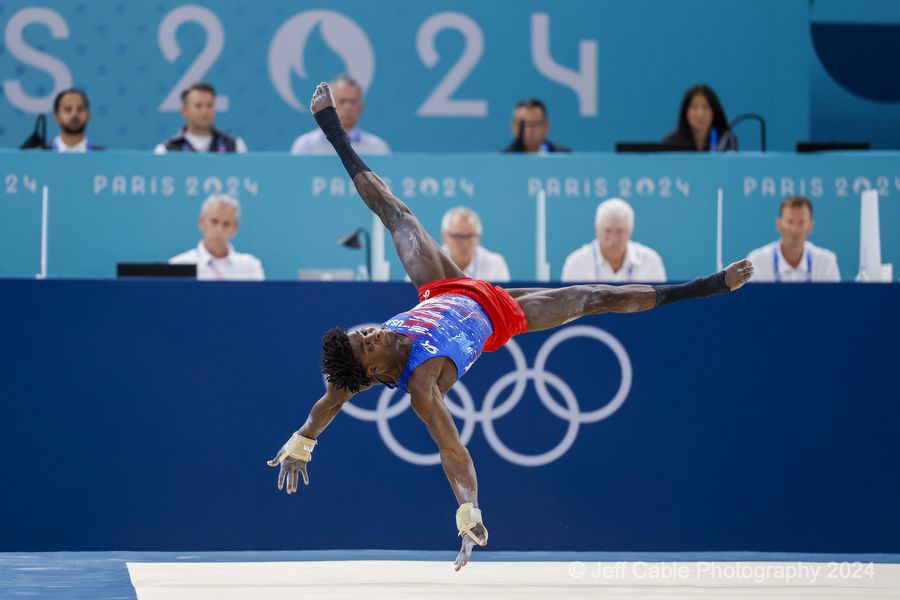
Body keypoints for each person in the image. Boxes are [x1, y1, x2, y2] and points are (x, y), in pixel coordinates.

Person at [267, 82, 753, 572]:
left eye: (365, 331)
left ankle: (333, 131)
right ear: (371, 371)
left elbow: (326, 404)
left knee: (396, 213)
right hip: (496, 316)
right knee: (593, 298)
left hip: (443, 289)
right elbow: (453, 452)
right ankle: (707, 287)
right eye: (367, 343)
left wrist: (302, 442)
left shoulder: (361, 364)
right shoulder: (421, 384)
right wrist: (468, 512)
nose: (372, 332)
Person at [561, 198, 666, 283]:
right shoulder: (576, 263)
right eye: (607, 231)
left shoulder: (650, 261)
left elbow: (660, 307)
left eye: (620, 231)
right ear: (597, 229)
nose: (613, 238)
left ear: (630, 231)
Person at [169, 194, 264, 280]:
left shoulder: (250, 267)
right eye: (214, 221)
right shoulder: (179, 265)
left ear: (235, 228)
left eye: (226, 224)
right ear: (201, 222)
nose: (219, 229)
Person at [745, 196, 840, 282]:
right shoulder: (756, 261)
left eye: (801, 222)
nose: (795, 229)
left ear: (811, 226)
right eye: (790, 222)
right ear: (779, 225)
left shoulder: (827, 262)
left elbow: (834, 300)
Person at [290, 74, 390, 155]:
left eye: (353, 101)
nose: (348, 107)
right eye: (342, 101)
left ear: (361, 107)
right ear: (327, 105)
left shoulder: (378, 148)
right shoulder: (305, 146)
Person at [154, 83, 247, 154]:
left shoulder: (236, 147)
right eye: (198, 106)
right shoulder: (165, 150)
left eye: (210, 105)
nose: (205, 111)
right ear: (184, 111)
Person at [440, 207, 510, 282]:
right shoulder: (435, 264)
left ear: (479, 237)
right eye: (458, 236)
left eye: (470, 236)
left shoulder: (495, 265)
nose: (465, 244)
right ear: (444, 236)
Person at [662, 84, 737, 152]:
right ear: (685, 111)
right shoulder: (671, 142)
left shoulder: (726, 140)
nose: (700, 114)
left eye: (705, 107)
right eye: (694, 107)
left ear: (714, 111)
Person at [502, 98, 570, 153]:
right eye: (523, 125)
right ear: (512, 126)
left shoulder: (564, 157)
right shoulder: (502, 160)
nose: (528, 130)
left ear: (547, 126)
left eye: (535, 124)